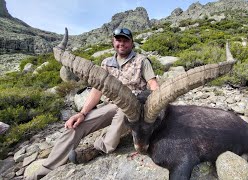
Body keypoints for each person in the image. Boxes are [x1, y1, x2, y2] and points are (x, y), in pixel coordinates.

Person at [26, 27, 159, 180]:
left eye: (125, 40)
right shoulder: (106, 63)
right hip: (111, 105)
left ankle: (99, 148)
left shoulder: (141, 61)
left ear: (132, 43)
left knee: (123, 113)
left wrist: (154, 108)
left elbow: (153, 84)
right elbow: (97, 90)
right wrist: (82, 113)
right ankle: (44, 170)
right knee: (75, 126)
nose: (121, 43)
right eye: (118, 40)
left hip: (134, 106)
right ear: (113, 41)